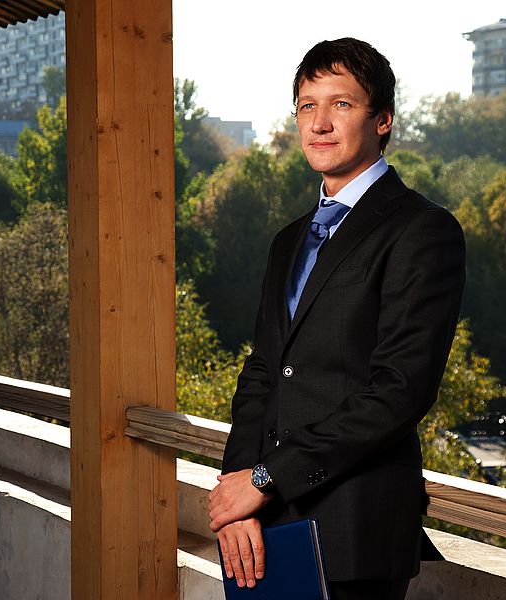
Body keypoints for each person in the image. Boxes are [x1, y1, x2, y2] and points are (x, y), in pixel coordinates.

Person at [208, 37, 465, 600]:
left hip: (354, 532)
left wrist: (264, 479)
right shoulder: (289, 240)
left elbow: (398, 391)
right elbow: (262, 374)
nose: (319, 123)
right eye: (307, 106)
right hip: (262, 530)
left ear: (383, 120)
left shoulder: (423, 231)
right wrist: (236, 498)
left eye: (341, 104)